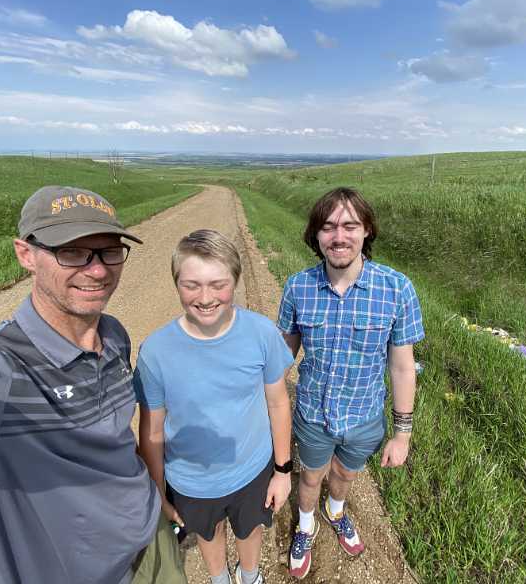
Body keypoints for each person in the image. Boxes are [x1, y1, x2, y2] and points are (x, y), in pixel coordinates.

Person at [0, 185, 186, 584]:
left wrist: (155, 493)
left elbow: (114, 437)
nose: (98, 270)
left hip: (151, 539)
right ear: (25, 253)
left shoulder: (113, 336)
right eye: (72, 252)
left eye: (109, 251)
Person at [278, 187, 425, 579]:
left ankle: (336, 510)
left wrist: (402, 435)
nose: (338, 236)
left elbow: (402, 368)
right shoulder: (297, 287)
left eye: (349, 226)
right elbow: (282, 357)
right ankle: (305, 526)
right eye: (328, 227)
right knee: (311, 477)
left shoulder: (397, 289)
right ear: (316, 235)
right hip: (313, 414)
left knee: (344, 475)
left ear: (367, 231)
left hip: (364, 418)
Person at [134, 229, 293, 584]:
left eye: (218, 285)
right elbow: (152, 430)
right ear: (176, 284)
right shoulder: (155, 352)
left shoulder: (261, 333)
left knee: (250, 529)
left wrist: (282, 471)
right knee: (208, 534)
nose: (205, 298)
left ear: (235, 281)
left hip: (252, 469)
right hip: (191, 482)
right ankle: (219, 578)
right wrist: (158, 493)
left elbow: (278, 402)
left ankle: (249, 575)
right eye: (191, 285)